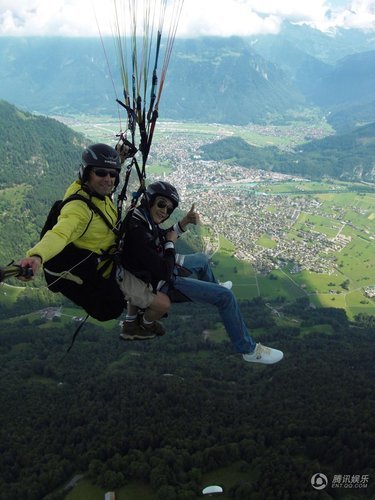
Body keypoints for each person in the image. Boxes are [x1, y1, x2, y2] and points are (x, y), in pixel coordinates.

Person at [119, 181, 284, 364]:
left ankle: (213, 287)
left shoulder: (141, 218)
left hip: (155, 270)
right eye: (161, 204)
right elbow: (164, 270)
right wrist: (170, 244)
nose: (165, 211)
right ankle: (249, 350)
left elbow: (160, 236)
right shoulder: (139, 232)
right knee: (226, 297)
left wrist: (182, 224)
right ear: (149, 200)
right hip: (160, 282)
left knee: (202, 260)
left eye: (169, 208)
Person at [18, 143, 169, 337]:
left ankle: (136, 312)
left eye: (113, 174)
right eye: (100, 173)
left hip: (116, 254)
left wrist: (118, 159)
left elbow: (105, 179)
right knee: (163, 304)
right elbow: (60, 234)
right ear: (86, 174)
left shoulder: (95, 192)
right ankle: (141, 326)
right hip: (109, 269)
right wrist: (37, 257)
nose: (108, 179)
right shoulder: (78, 210)